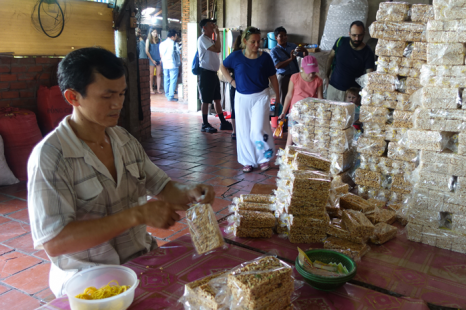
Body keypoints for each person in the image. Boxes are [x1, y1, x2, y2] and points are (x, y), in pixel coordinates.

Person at [27, 47, 215, 297]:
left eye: (122, 93)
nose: (118, 104)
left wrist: (191, 192)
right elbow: (55, 242)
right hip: (88, 280)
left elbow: (163, 187)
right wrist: (135, 216)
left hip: (141, 261)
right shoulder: (51, 157)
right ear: (73, 97)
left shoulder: (124, 140)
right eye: (107, 96)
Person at [220, 27, 280, 173]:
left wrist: (278, 96)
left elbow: (272, 77)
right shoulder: (235, 57)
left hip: (261, 96)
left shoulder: (265, 58)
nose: (256, 44)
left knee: (258, 129)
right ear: (245, 41)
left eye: (259, 41)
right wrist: (232, 81)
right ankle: (248, 161)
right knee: (244, 130)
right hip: (242, 98)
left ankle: (264, 158)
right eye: (253, 41)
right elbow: (222, 66)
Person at [279, 55, 323, 147]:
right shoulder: (294, 77)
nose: (311, 75)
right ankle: (286, 157)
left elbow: (320, 100)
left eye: (314, 72)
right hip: (294, 113)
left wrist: (320, 115)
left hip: (309, 114)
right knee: (291, 137)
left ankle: (302, 157)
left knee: (306, 137)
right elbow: (289, 96)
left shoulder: (318, 81)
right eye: (309, 72)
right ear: (302, 68)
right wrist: (283, 112)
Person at [198, 19, 233, 133]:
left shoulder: (209, 39)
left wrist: (216, 35)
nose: (213, 26)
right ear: (204, 28)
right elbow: (217, 49)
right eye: (210, 25)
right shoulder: (202, 39)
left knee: (217, 99)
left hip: (213, 73)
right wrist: (218, 33)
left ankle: (223, 122)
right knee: (206, 100)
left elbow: (217, 49)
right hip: (206, 73)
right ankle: (205, 124)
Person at [326, 21, 375, 102]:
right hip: (333, 89)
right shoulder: (340, 42)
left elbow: (369, 75)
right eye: (354, 35)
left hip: (351, 95)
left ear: (364, 34)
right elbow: (330, 56)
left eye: (360, 35)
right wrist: (326, 76)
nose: (357, 38)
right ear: (349, 33)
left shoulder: (368, 52)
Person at [270, 26, 309, 107]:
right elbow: (277, 66)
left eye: (285, 35)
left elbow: (305, 57)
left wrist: (304, 50)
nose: (284, 37)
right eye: (281, 36)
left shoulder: (292, 46)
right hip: (283, 78)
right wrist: (291, 59)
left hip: (295, 77)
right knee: (283, 99)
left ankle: (294, 116)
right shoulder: (274, 51)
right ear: (276, 37)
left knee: (297, 97)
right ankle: (283, 117)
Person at [227, 34, 243, 140]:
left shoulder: (234, 54)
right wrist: (231, 80)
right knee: (237, 108)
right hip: (237, 84)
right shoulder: (237, 55)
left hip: (236, 83)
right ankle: (236, 131)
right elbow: (224, 67)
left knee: (236, 107)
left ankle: (235, 131)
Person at [159, 29, 181, 101]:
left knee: (166, 79)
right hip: (173, 64)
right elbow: (178, 53)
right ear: (173, 36)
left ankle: (167, 94)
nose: (176, 38)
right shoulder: (174, 44)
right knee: (173, 80)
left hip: (165, 64)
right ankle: (171, 96)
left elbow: (161, 55)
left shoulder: (162, 44)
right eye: (175, 36)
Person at [145, 28, 162, 95]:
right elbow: (147, 51)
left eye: (156, 32)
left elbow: (161, 50)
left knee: (158, 74)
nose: (155, 34)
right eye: (154, 32)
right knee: (151, 74)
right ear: (151, 33)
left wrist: (161, 59)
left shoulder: (159, 40)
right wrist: (152, 60)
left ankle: (158, 89)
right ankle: (151, 88)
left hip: (158, 59)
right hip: (152, 59)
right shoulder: (148, 40)